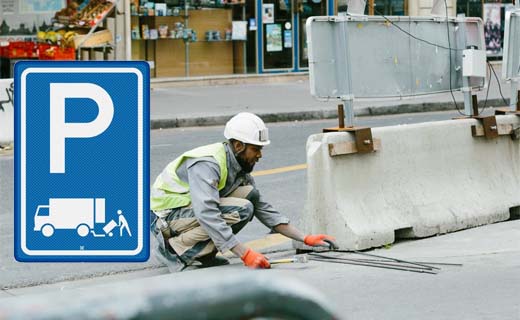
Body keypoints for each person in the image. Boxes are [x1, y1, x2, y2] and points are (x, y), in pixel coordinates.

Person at [150, 112, 336, 272]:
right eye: (256, 149)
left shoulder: (239, 165)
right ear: (238, 146)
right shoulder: (208, 163)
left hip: (185, 213)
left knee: (250, 196)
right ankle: (175, 251)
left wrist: (305, 238)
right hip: (164, 218)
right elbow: (207, 213)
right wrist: (244, 253)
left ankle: (204, 254)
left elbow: (262, 207)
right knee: (240, 209)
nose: (260, 155)